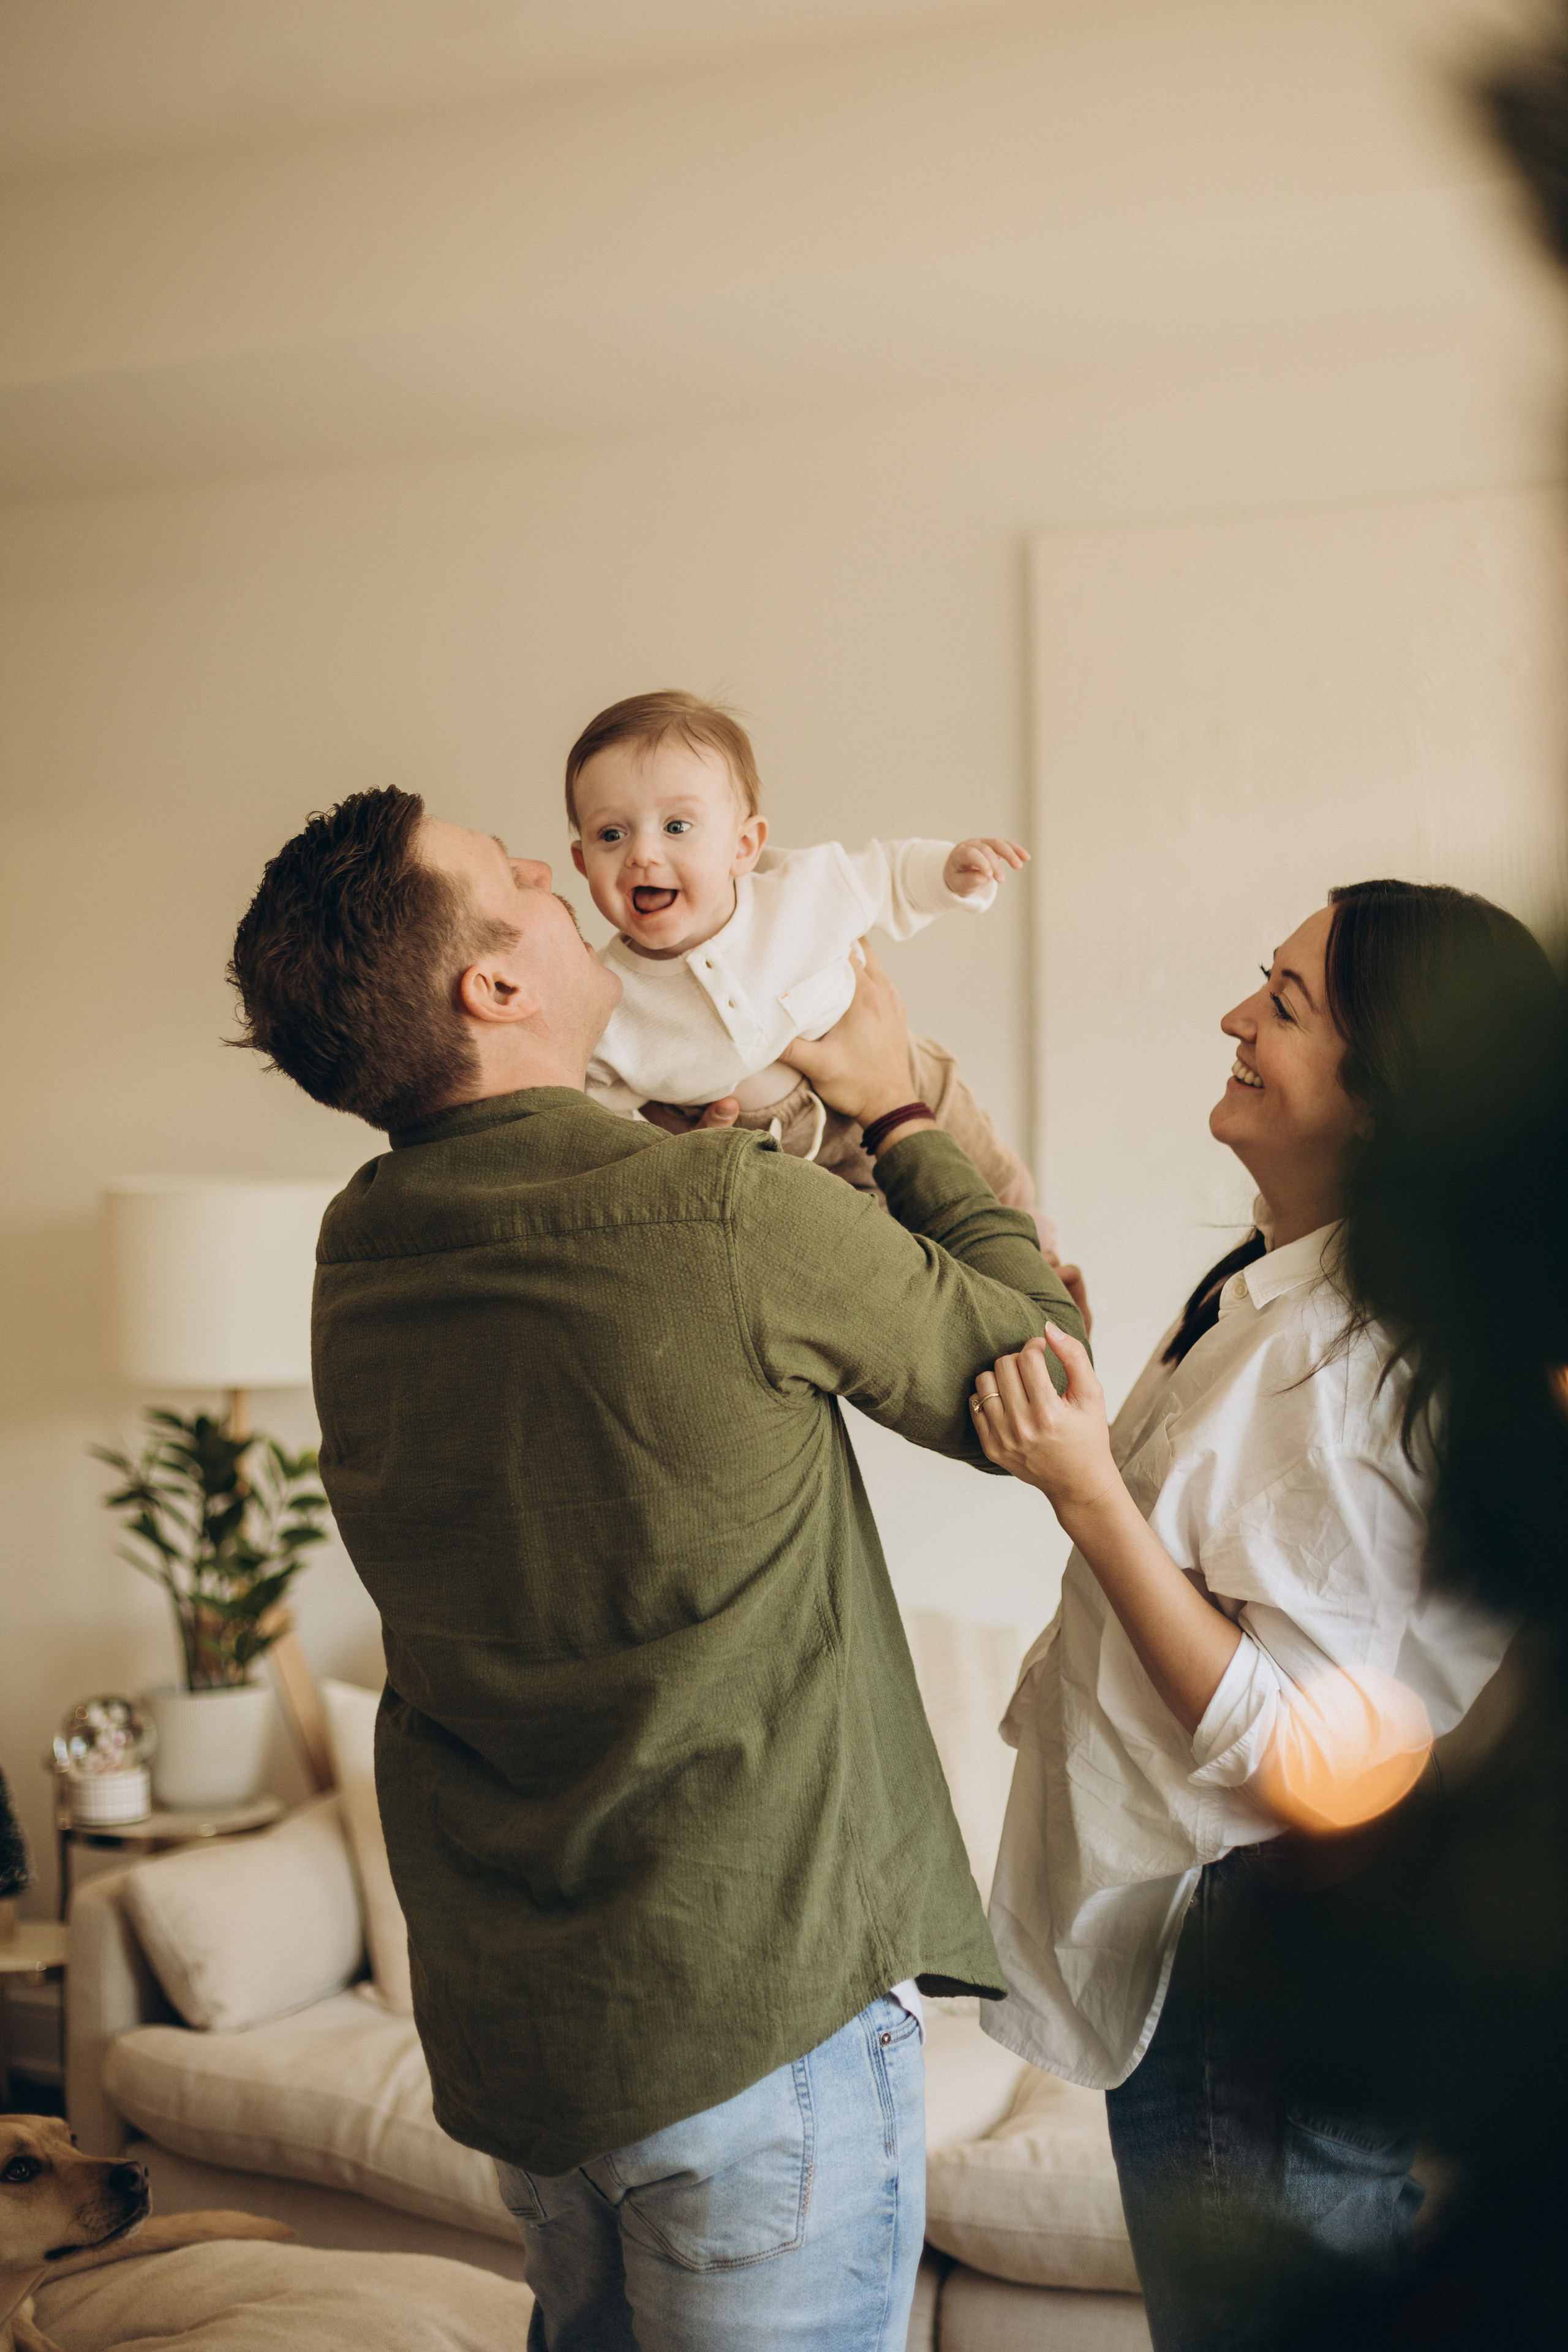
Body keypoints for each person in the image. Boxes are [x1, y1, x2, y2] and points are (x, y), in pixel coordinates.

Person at [225, 783, 1086, 2352]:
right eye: (514, 875)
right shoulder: (715, 1214)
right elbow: (1039, 1369)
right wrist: (897, 1112)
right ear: (493, 987)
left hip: (525, 2043)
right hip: (755, 2016)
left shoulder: (360, 1246)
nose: (563, 876)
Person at [966, 881, 1532, 2351]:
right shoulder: (1272, 1292)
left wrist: (1086, 1495)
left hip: (1246, 1969)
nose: (1233, 1017)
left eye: (1282, 1005)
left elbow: (1310, 1752)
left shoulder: (1354, 1364)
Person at [565, 689, 1040, 1212]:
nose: (643, 854)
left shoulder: (800, 890)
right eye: (611, 834)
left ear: (744, 846)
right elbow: (598, 1112)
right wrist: (665, 1154)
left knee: (1000, 1187)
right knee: (899, 1243)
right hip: (791, 1157)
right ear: (583, 861)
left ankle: (1037, 1237)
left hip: (905, 1076)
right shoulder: (608, 998)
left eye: (677, 826)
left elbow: (888, 876)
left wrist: (951, 873)